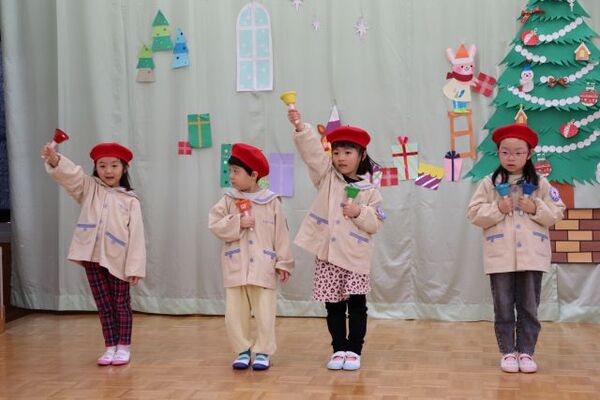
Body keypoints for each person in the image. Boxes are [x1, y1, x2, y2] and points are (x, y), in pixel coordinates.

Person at [287, 109, 384, 371]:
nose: (341, 157)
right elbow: (312, 154)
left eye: (348, 152)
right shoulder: (326, 177)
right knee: (333, 306)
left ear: (362, 155)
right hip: (328, 256)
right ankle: (339, 348)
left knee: (357, 307)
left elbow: (375, 224)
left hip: (355, 258)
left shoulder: (370, 191)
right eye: (337, 152)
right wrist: (301, 127)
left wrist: (358, 212)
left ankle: (354, 350)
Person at [467, 124, 564, 373]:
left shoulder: (540, 183)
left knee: (529, 307)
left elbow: (557, 212)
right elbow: (474, 214)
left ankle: (526, 352)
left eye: (518, 152)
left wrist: (535, 208)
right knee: (503, 306)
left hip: (532, 256)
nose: (511, 157)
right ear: (498, 153)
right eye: (505, 152)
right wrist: (497, 209)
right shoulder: (489, 184)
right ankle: (508, 351)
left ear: (529, 154)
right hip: (500, 256)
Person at [41, 141, 146, 366]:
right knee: (103, 304)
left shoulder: (131, 200)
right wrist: (54, 158)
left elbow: (137, 236)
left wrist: (135, 267)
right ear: (96, 168)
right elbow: (70, 175)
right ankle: (110, 346)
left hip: (118, 260)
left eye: (114, 165)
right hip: (91, 257)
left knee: (121, 304)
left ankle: (123, 347)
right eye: (102, 165)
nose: (108, 171)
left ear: (124, 168)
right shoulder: (89, 188)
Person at [208, 143, 294, 371]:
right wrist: (237, 222)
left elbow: (281, 234)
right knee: (235, 313)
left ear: (254, 175)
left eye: (236, 171)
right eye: (230, 171)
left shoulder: (271, 201)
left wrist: (284, 262)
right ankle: (242, 350)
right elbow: (214, 224)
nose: (231, 176)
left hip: (264, 265)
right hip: (235, 264)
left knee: (265, 312)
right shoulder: (228, 200)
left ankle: (263, 351)